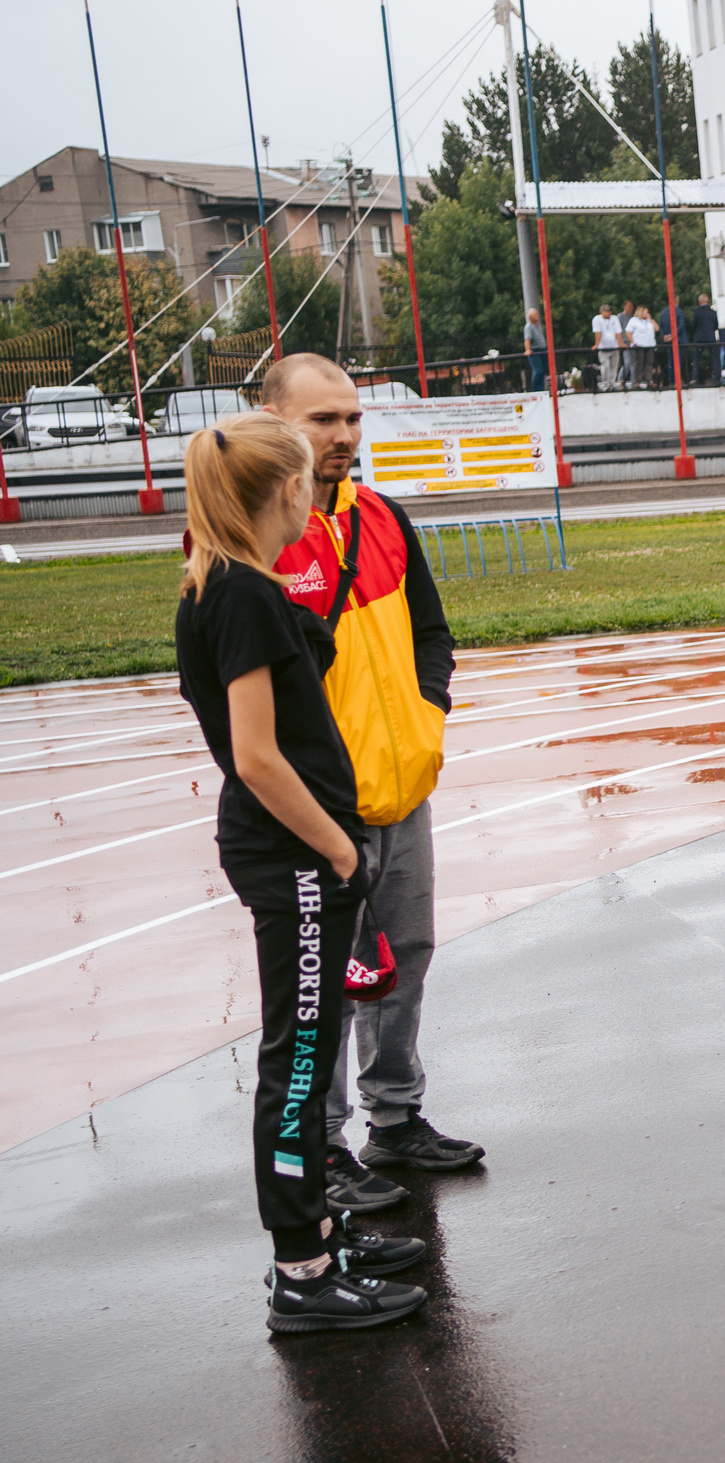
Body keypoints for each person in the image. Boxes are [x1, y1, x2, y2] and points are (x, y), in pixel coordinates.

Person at [172, 412, 432, 1333]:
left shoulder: (233, 582)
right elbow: (257, 755)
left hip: (296, 853)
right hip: (292, 858)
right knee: (297, 1064)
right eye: (302, 485)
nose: (312, 498)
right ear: (284, 491)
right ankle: (303, 1267)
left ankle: (319, 1228)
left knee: (308, 1050)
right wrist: (335, 845)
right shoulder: (239, 592)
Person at [262, 353, 483, 1212]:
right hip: (319, 810)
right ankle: (324, 1145)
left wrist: (427, 717)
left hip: (403, 788)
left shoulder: (383, 518)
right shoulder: (256, 537)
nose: (345, 436)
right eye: (324, 420)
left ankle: (396, 1117)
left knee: (404, 960)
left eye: (353, 418)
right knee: (326, 983)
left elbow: (432, 634)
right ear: (274, 418)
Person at [689, 293, 721, 387]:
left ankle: (695, 378)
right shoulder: (712, 312)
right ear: (707, 301)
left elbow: (693, 325)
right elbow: (716, 326)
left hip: (699, 339)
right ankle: (716, 378)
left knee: (697, 358)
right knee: (714, 358)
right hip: (711, 338)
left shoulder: (697, 312)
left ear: (699, 302)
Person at [591, 301, 622, 391]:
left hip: (614, 346)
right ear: (602, 312)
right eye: (607, 311)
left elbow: (618, 332)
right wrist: (597, 344)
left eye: (609, 311)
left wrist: (620, 343)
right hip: (604, 347)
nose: (609, 313)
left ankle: (612, 382)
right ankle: (605, 383)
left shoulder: (614, 319)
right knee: (606, 366)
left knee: (614, 366)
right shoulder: (597, 319)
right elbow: (598, 333)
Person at [628, 303, 660, 390]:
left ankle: (648, 380)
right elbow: (628, 332)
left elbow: (657, 328)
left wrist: (651, 320)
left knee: (649, 363)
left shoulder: (649, 321)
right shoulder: (634, 320)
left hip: (649, 345)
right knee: (639, 363)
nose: (647, 313)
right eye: (646, 312)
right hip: (639, 344)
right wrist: (633, 342)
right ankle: (637, 381)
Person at [522, 308, 549, 391]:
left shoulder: (537, 326)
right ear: (531, 316)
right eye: (535, 314)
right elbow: (527, 339)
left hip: (542, 350)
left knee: (543, 371)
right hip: (535, 351)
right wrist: (527, 349)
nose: (538, 315)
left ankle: (541, 389)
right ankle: (535, 390)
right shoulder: (529, 327)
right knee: (538, 371)